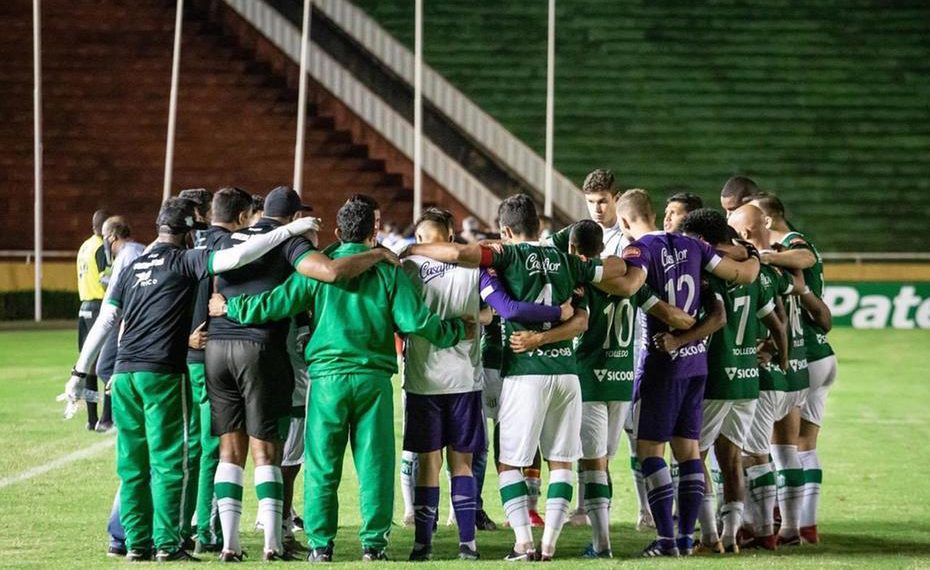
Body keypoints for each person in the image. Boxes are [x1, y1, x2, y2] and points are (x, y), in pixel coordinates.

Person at [63, 197, 323, 561]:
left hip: (122, 376)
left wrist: (79, 373)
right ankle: (169, 545)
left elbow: (107, 322)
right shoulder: (185, 260)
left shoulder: (132, 266)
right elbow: (236, 257)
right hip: (161, 374)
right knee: (173, 462)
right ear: (187, 234)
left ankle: (137, 545)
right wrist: (289, 231)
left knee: (132, 465)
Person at [212, 199, 470, 562]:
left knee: (322, 465)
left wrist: (231, 308)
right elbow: (415, 323)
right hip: (372, 379)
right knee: (376, 464)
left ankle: (321, 545)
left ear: (337, 232)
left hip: (327, 379)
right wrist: (456, 329)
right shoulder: (387, 268)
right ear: (373, 232)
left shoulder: (318, 268)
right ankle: (373, 545)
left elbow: (274, 303)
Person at [402, 193, 637, 561]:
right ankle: (549, 545)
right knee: (561, 462)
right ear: (538, 225)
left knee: (510, 462)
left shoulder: (504, 255)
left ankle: (524, 543)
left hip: (525, 373)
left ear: (505, 229)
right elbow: (615, 273)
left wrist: (412, 250)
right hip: (567, 376)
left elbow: (459, 256)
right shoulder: (566, 259)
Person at [206, 186, 392, 562]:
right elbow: (332, 273)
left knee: (232, 450)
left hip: (221, 349)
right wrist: (378, 254)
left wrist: (223, 311)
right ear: (294, 219)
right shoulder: (295, 246)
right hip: (274, 354)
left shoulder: (226, 239)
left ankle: (233, 541)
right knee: (270, 450)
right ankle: (283, 541)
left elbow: (231, 288)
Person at [611, 189, 760, 557]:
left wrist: (659, 308)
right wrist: (751, 252)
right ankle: (682, 538)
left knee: (649, 452)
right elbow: (742, 273)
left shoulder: (638, 250)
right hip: (697, 364)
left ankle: (666, 540)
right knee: (689, 451)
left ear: (625, 222)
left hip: (661, 364)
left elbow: (629, 285)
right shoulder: (695, 248)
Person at [545, 219, 696, 558]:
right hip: (621, 383)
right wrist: (690, 323)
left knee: (593, 464)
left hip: (589, 380)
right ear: (602, 249)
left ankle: (602, 545)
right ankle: (603, 539)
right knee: (604, 461)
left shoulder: (579, 280)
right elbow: (665, 312)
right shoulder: (631, 282)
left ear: (573, 249)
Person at [677, 209, 787, 553]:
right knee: (732, 459)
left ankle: (710, 536)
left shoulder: (710, 270)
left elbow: (714, 317)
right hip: (747, 380)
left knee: (695, 455)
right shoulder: (753, 275)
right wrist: (776, 355)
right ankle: (730, 536)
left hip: (716, 375)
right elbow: (778, 324)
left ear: (703, 241)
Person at [750, 193, 834, 544]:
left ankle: (771, 524)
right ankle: (803, 526)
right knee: (804, 447)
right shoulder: (791, 266)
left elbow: (804, 255)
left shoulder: (787, 248)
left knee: (771, 449)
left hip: (801, 356)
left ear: (765, 221)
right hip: (818, 354)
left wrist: (765, 255)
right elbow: (825, 319)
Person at [185, 187, 254, 554]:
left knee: (184, 445)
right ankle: (206, 527)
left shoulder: (183, 246)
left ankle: (183, 523)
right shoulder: (231, 247)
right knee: (216, 444)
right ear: (242, 216)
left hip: (183, 357)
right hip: (212, 356)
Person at [94, 215, 145, 557]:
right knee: (153, 458)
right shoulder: (153, 255)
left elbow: (113, 313)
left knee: (139, 459)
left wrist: (80, 370)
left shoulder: (128, 257)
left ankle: (124, 535)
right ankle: (135, 536)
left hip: (138, 360)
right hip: (148, 363)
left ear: (112, 238)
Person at [76, 208, 111, 430]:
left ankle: (91, 418)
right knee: (107, 364)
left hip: (84, 307)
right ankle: (107, 418)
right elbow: (106, 278)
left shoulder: (84, 246)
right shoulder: (100, 247)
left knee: (88, 366)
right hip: (100, 307)